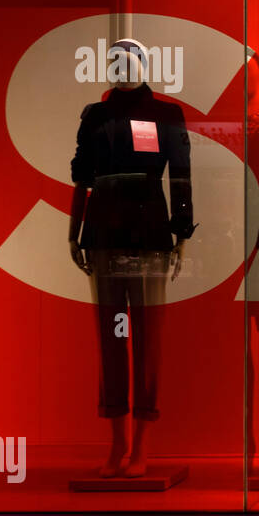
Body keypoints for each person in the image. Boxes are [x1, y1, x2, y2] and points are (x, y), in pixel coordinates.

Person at [69, 38, 195, 477]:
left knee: (148, 340)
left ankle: (142, 445)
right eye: (114, 61)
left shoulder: (166, 115)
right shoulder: (95, 116)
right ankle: (117, 443)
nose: (121, 67)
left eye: (130, 59)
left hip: (149, 232)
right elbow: (81, 177)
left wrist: (183, 231)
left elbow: (180, 174)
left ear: (144, 64)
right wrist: (74, 231)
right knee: (111, 340)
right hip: (103, 230)